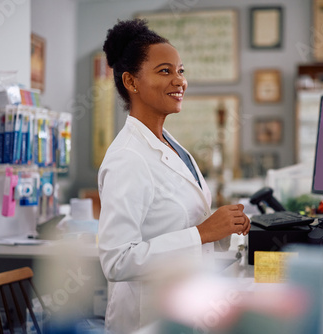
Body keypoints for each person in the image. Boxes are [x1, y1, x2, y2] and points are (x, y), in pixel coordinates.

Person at [98, 19, 250, 333]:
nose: (179, 81)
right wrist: (203, 232)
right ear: (131, 81)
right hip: (147, 320)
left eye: (181, 71)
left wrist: (224, 230)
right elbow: (116, 261)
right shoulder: (128, 157)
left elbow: (177, 226)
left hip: (185, 308)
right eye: (165, 71)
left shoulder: (170, 144)